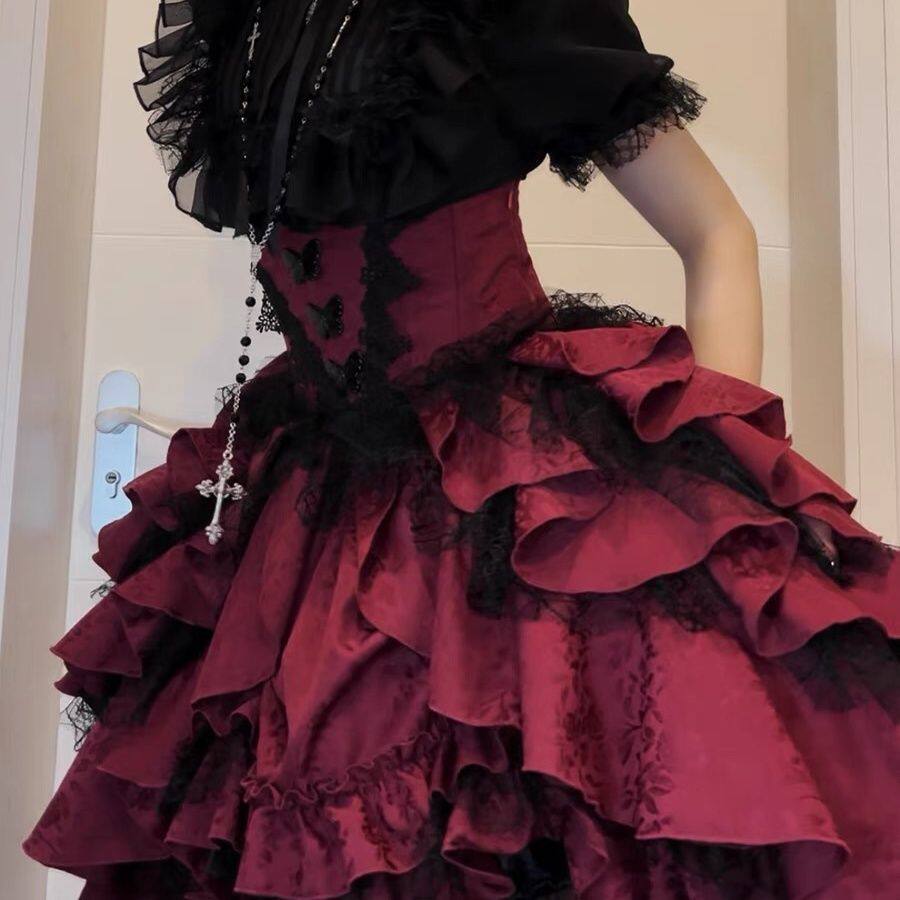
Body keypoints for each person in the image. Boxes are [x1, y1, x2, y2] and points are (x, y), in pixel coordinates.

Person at [24, 1, 899, 897]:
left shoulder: (506, 14)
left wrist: (725, 470)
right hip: (304, 508)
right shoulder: (242, 21)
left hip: (508, 499)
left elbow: (716, 233)